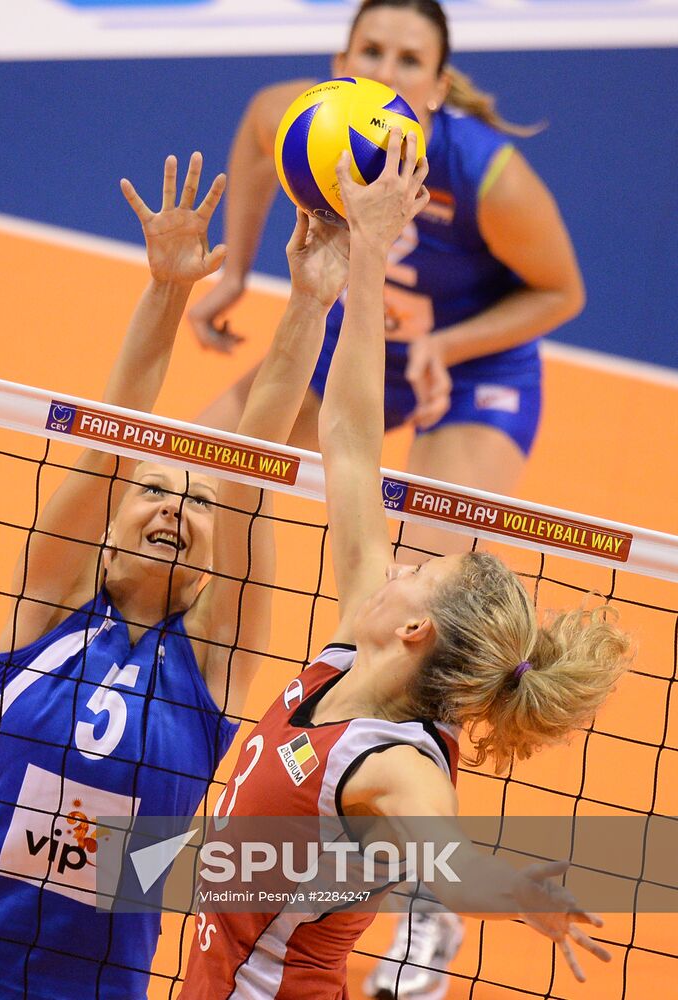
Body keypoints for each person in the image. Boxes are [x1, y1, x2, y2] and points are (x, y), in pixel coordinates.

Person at [178, 130, 630, 1000]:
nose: (394, 569)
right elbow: (350, 442)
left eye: (414, 575)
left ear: (416, 627)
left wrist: (514, 894)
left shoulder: (398, 764)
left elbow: (449, 865)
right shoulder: (354, 644)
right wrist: (366, 259)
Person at [0, 152, 351, 999]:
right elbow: (110, 442)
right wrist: (169, 290)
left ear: (215, 562)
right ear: (106, 532)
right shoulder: (46, 613)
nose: (174, 507)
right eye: (155, 491)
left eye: (196, 503)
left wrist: (313, 298)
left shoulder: (211, 669)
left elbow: (255, 467)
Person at [189, 0, 584, 560]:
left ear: (438, 87)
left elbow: (562, 292)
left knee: (417, 595)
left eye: (409, 60)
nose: (384, 74)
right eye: (371, 52)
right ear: (340, 61)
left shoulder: (487, 176)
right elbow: (259, 129)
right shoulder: (304, 122)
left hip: (467, 374)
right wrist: (235, 275)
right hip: (347, 346)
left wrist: (446, 345)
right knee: (182, 485)